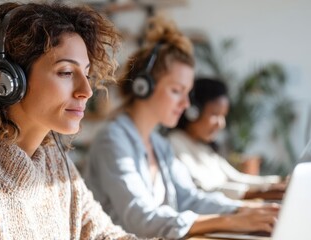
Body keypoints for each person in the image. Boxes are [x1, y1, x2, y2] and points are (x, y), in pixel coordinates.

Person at [0, 2, 144, 239]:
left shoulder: (54, 164)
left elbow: (105, 235)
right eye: (66, 73)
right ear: (8, 80)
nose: (86, 91)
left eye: (87, 73)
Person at [84, 17, 279, 239]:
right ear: (143, 87)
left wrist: (244, 210)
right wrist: (231, 220)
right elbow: (142, 219)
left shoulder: (159, 144)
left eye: (187, 93)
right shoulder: (112, 141)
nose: (186, 104)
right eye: (177, 91)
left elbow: (189, 198)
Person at [167, 77, 286, 200]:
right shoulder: (173, 143)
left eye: (223, 116)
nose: (221, 124)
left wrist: (278, 181)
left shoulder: (205, 148)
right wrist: (257, 194)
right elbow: (202, 190)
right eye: (215, 114)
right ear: (193, 111)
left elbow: (238, 178)